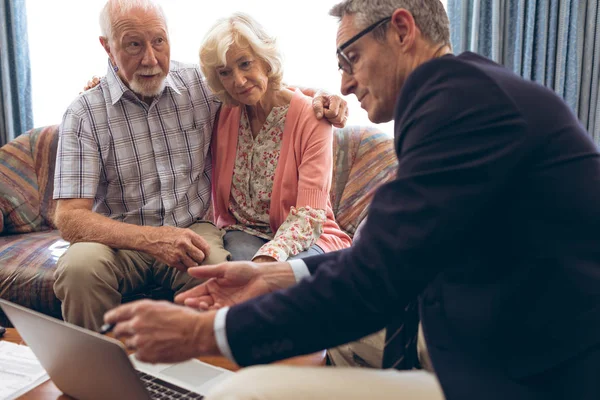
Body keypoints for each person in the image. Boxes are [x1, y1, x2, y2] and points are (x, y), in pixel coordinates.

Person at [104, 0, 600, 399]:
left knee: (249, 391)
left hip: (538, 372)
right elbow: (390, 260)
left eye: (351, 59)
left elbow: (373, 280)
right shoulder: (465, 91)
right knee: (307, 360)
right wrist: (271, 275)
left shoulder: (457, 105)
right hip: (495, 331)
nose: (343, 83)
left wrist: (201, 334)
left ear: (402, 30)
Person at [53, 0, 348, 331]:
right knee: (79, 270)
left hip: (191, 229)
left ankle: (202, 377)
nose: (150, 59)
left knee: (220, 278)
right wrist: (150, 239)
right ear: (107, 48)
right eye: (134, 45)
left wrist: (322, 97)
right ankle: (94, 375)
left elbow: (261, 90)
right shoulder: (85, 114)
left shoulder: (199, 86)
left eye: (159, 41)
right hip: (117, 240)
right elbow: (69, 217)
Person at [200, 13, 351, 265]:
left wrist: (266, 262)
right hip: (244, 234)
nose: (238, 80)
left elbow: (309, 217)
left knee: (287, 282)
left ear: (266, 59)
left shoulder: (313, 117)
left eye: (245, 63)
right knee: (237, 275)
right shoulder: (223, 112)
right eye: (225, 72)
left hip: (309, 237)